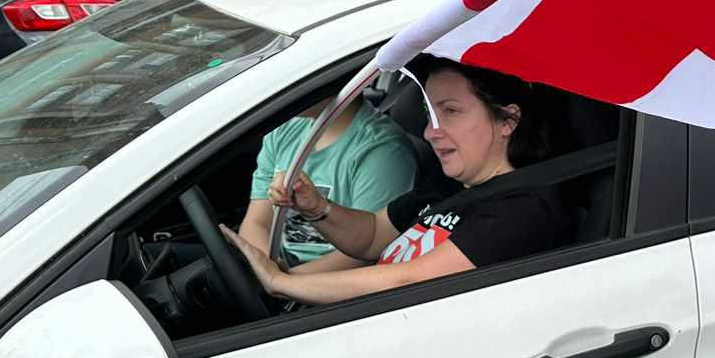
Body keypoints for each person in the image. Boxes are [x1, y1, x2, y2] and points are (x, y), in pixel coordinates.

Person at [223, 57, 573, 305]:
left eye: (449, 111)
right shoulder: (450, 185)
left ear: (508, 120)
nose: (430, 131)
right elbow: (373, 235)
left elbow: (406, 279)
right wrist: (319, 208)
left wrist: (282, 282)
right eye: (430, 114)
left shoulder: (523, 209)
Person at [238, 95, 418, 267]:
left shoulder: (383, 152)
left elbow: (366, 251)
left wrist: (283, 281)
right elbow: (256, 222)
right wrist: (266, 270)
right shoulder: (282, 132)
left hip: (333, 285)